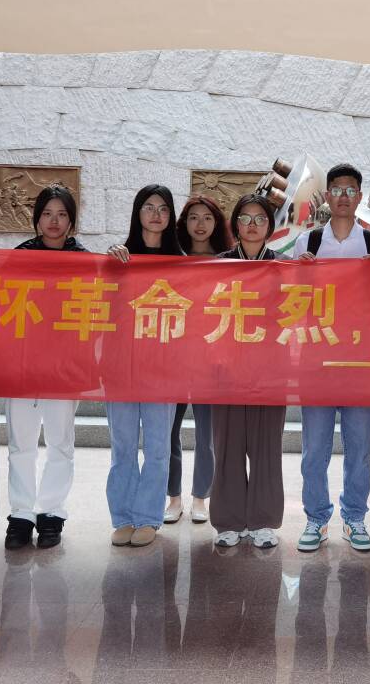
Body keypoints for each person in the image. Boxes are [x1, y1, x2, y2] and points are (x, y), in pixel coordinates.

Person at [292, 163, 370, 553]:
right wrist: (301, 276)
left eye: (351, 190)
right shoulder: (308, 243)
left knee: (359, 448)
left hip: (361, 362)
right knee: (314, 449)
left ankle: (354, 517)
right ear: (327, 196)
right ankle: (316, 518)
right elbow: (293, 302)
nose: (344, 197)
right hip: (317, 360)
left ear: (360, 197)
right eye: (337, 190)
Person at [4, 184, 87, 551]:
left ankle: (52, 512)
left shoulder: (85, 261)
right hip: (22, 365)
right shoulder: (19, 257)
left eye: (62, 214)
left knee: (60, 444)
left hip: (64, 368)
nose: (54, 221)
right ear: (36, 219)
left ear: (72, 221)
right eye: (48, 214)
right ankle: (21, 514)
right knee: (20, 444)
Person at [104, 184, 183, 547]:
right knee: (122, 446)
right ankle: (122, 516)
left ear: (171, 216)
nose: (156, 214)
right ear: (137, 213)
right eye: (149, 207)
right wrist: (109, 263)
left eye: (163, 208)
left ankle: (149, 517)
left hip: (163, 369)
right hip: (121, 366)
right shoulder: (119, 258)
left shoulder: (182, 263)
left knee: (157, 447)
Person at [210, 194, 286, 548]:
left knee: (266, 446)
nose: (252, 225)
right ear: (235, 224)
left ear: (270, 226)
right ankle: (228, 520)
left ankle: (263, 520)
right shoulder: (217, 265)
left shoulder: (284, 267)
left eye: (260, 219)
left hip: (270, 370)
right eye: (245, 218)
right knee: (227, 444)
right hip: (225, 369)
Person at [165, 196, 229, 525]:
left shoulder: (228, 261)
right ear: (184, 222)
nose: (200, 224)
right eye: (193, 217)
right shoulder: (171, 258)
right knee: (168, 431)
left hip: (210, 358)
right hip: (173, 358)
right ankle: (173, 498)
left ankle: (200, 497)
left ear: (217, 223)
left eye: (207, 217)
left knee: (207, 434)